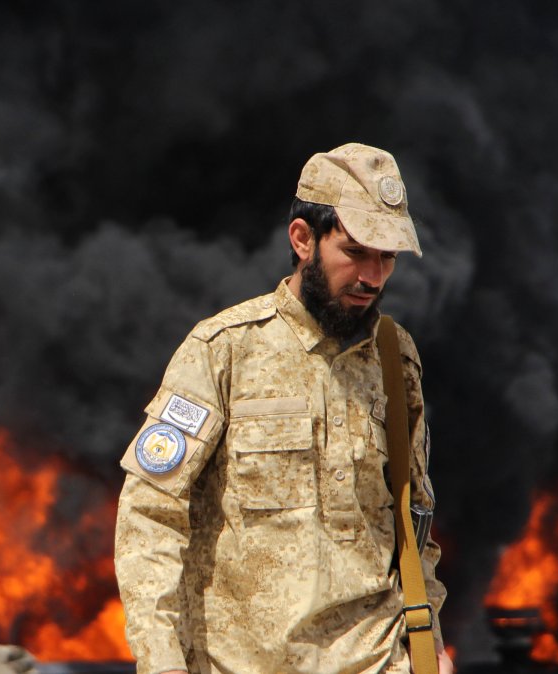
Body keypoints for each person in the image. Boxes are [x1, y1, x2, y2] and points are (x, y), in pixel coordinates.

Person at [113, 143, 452, 674]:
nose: (373, 276)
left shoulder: (395, 357)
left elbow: (415, 518)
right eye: (356, 251)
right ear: (302, 239)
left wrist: (431, 646)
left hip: (379, 659)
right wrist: (163, 663)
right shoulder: (223, 349)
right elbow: (150, 515)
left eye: (388, 256)